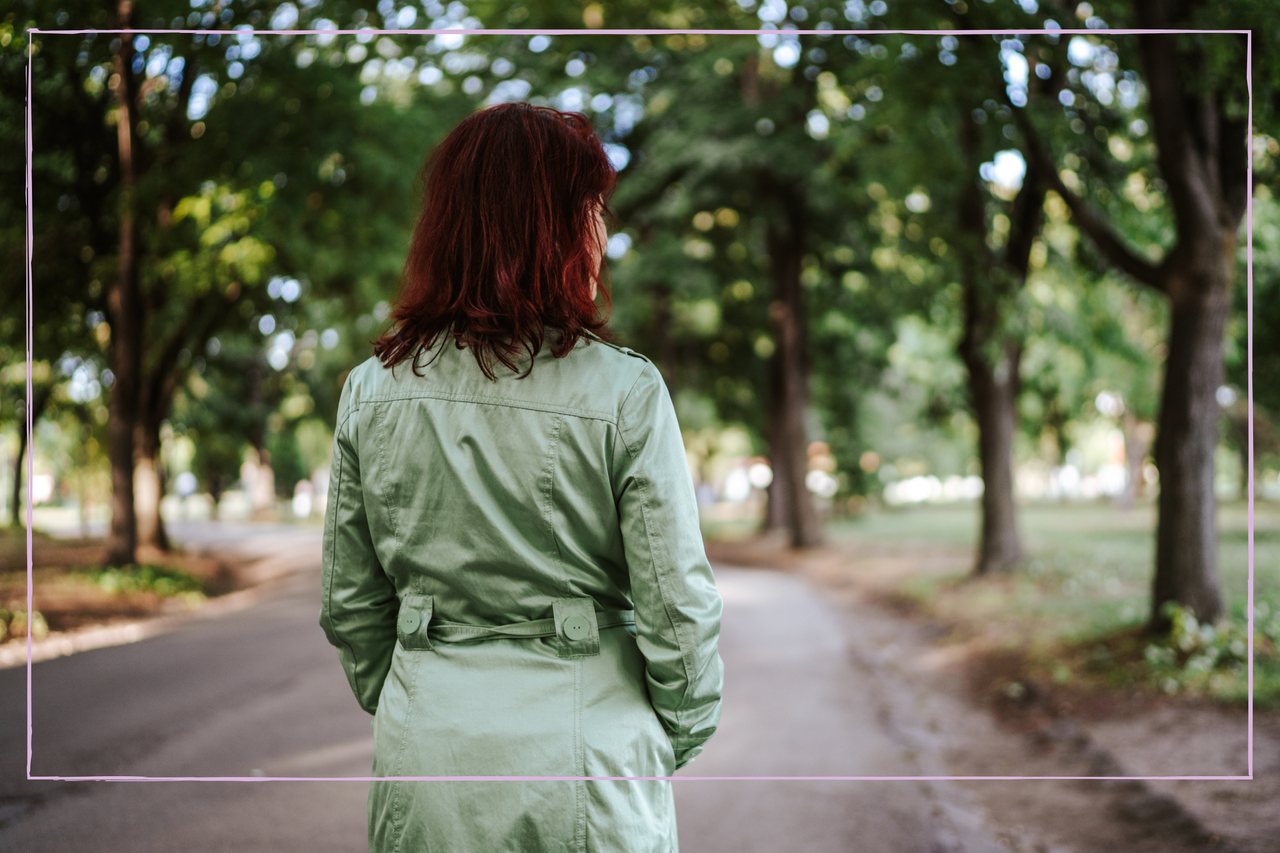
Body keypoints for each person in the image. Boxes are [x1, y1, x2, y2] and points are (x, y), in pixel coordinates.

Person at [318, 102, 724, 853]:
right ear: (559, 229)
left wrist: (418, 702)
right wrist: (666, 733)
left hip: (428, 766)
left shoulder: (369, 392)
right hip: (595, 766)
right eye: (594, 212)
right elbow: (678, 608)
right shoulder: (625, 392)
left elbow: (350, 602)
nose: (602, 235)